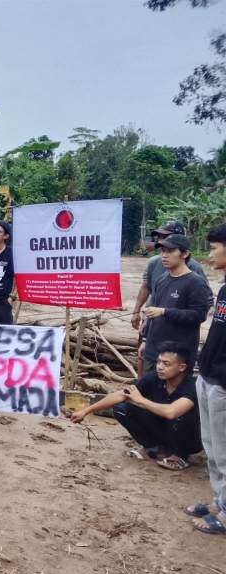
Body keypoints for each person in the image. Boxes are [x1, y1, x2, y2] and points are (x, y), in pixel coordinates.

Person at [71, 341, 202, 470]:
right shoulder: (154, 378)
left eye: (166, 364)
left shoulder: (192, 386)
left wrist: (141, 400)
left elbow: (171, 412)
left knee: (181, 417)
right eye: (158, 362)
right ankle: (153, 448)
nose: (160, 367)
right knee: (122, 408)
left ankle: (180, 456)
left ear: (182, 367)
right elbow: (121, 394)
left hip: (190, 439)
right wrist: (86, 411)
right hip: (164, 429)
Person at [187, 223, 226, 535]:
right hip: (210, 375)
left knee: (225, 449)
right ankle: (220, 501)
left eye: (214, 247)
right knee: (212, 446)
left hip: (223, 381)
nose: (210, 253)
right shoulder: (225, 288)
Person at [131, 221, 210, 377]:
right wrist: (146, 340)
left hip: (176, 355)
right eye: (163, 251)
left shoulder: (195, 282)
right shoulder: (161, 280)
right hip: (154, 351)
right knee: (148, 391)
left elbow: (199, 315)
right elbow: (153, 314)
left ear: (184, 254)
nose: (164, 255)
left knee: (170, 398)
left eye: (170, 251)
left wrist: (165, 311)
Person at [131, 221, 208, 330]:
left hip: (178, 328)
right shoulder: (154, 264)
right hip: (151, 320)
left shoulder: (194, 270)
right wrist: (136, 312)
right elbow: (146, 288)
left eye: (166, 237)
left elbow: (202, 307)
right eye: (160, 237)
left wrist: (180, 318)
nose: (162, 241)